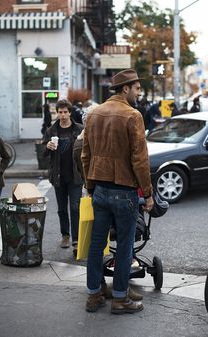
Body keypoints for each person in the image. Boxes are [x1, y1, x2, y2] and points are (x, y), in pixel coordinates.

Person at [81, 69, 154, 314]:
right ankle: (120, 299)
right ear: (125, 89)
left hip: (99, 188)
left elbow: (85, 155)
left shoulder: (94, 114)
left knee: (95, 244)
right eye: (136, 88)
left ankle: (93, 295)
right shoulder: (133, 116)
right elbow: (140, 161)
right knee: (124, 246)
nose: (138, 93)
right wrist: (149, 193)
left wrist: (90, 186)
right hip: (124, 191)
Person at [43, 99, 83, 252]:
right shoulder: (51, 131)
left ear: (70, 113)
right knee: (61, 209)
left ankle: (76, 240)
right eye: (60, 112)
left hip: (76, 175)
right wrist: (47, 146)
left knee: (75, 207)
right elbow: (44, 153)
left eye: (66, 112)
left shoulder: (79, 129)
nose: (63, 115)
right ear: (57, 113)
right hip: (58, 176)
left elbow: (86, 150)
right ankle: (65, 235)